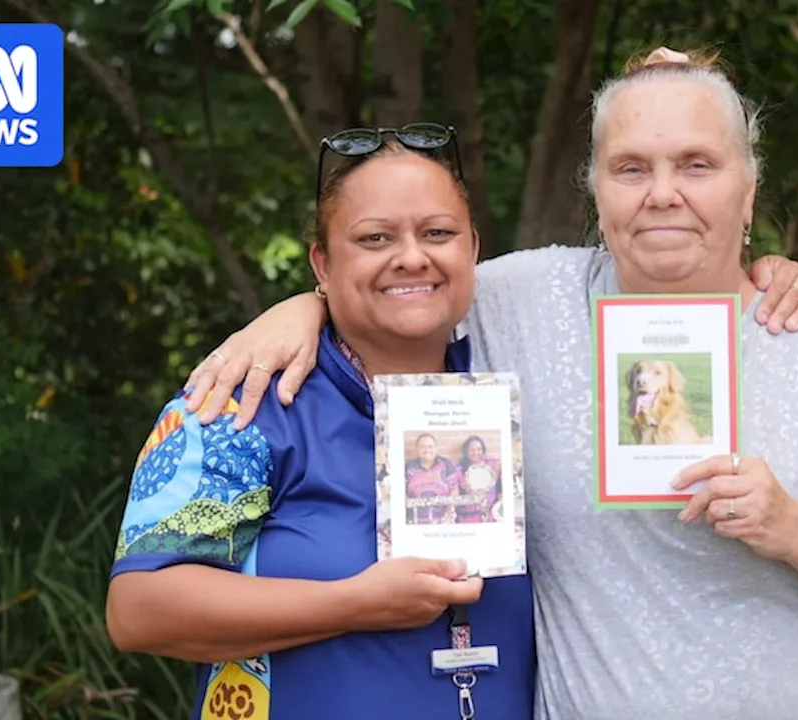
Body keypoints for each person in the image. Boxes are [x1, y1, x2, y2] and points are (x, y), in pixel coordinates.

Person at [184, 47, 798, 720]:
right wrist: (301, 307)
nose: (664, 193)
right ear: (594, 188)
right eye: (632, 168)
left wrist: (797, 530)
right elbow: (398, 280)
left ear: (748, 188)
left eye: (697, 165)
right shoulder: (520, 303)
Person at [105, 134, 537, 719]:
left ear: (473, 249)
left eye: (437, 233)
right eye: (374, 238)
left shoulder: (521, 388)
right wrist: (355, 603)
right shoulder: (243, 402)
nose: (412, 256)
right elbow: (138, 609)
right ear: (322, 265)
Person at [405, 432, 464, 524]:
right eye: (422, 447)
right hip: (416, 520)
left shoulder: (446, 464)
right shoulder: (408, 467)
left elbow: (454, 489)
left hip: (443, 519)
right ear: (417, 449)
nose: (427, 449)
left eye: (430, 446)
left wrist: (450, 510)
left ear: (436, 448)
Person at [455, 435, 504, 523]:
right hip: (467, 516)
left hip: (490, 515)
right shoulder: (459, 470)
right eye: (471, 450)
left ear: (483, 450)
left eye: (479, 449)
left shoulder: (491, 464)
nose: (475, 452)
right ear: (466, 451)